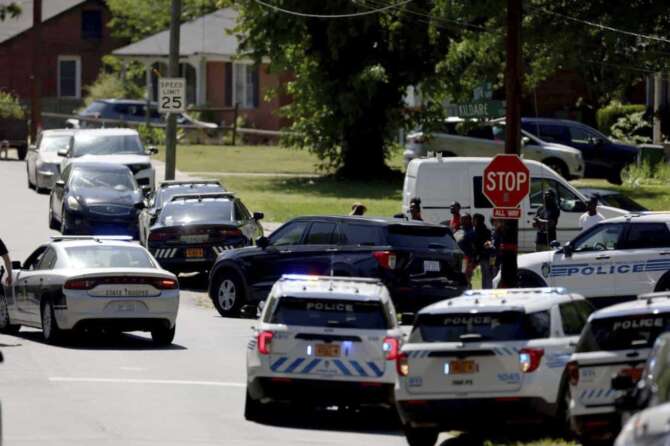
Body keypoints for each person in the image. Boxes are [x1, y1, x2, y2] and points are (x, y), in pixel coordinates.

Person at [472, 214, 495, 289]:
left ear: (478, 221)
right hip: (487, 256)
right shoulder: (483, 230)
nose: (473, 221)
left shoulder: (481, 231)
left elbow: (488, 243)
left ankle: (487, 290)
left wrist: (483, 248)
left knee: (487, 274)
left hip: (486, 256)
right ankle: (485, 289)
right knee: (486, 274)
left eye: (474, 220)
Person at [454, 214, 476, 287]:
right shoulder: (459, 230)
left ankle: (468, 288)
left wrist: (472, 260)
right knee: (460, 275)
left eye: (464, 219)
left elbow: (473, 247)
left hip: (466, 258)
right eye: (461, 219)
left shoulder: (471, 232)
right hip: (457, 257)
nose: (462, 220)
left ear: (469, 220)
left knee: (465, 275)